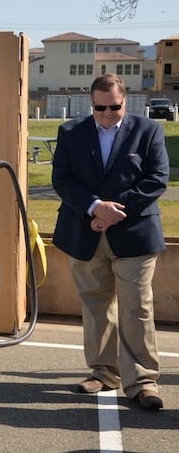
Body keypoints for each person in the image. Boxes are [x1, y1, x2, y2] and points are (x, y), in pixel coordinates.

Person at [52, 73, 169, 411]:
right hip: (84, 232)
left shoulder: (149, 131)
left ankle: (143, 381)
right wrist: (93, 207)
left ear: (126, 100)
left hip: (134, 234)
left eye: (113, 107)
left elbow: (157, 179)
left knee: (137, 307)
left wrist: (113, 212)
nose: (105, 113)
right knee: (95, 305)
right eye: (99, 107)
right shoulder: (71, 132)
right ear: (91, 103)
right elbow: (62, 178)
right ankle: (104, 372)